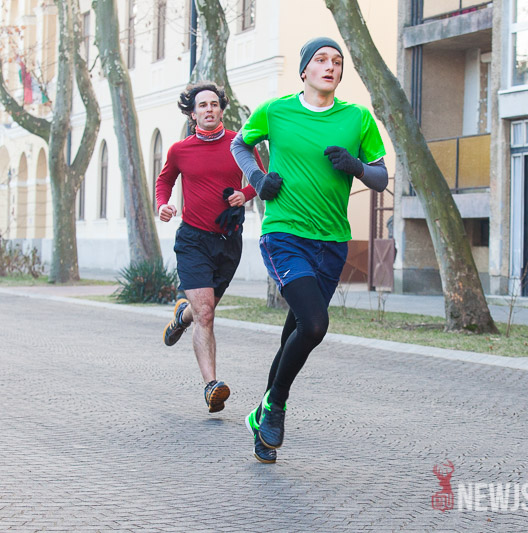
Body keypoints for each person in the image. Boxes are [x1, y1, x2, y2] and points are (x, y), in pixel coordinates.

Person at [231, 37, 388, 463]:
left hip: (332, 242)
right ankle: (276, 405)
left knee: (295, 332)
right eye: (321, 60)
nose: (330, 66)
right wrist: (257, 179)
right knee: (315, 324)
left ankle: (261, 422)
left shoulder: (357, 118)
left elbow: (380, 177)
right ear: (305, 71)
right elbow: (239, 144)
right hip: (284, 234)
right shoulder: (276, 110)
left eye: (337, 61)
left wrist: (357, 166)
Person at [156, 81, 263, 418]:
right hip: (193, 239)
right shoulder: (180, 150)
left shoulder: (239, 143)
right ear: (192, 113)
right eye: (202, 105)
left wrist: (245, 194)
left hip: (229, 239)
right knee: (205, 313)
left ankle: (181, 316)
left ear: (221, 109)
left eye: (214, 104)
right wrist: (163, 204)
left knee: (203, 309)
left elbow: (260, 178)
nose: (209, 109)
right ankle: (211, 386)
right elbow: (164, 181)